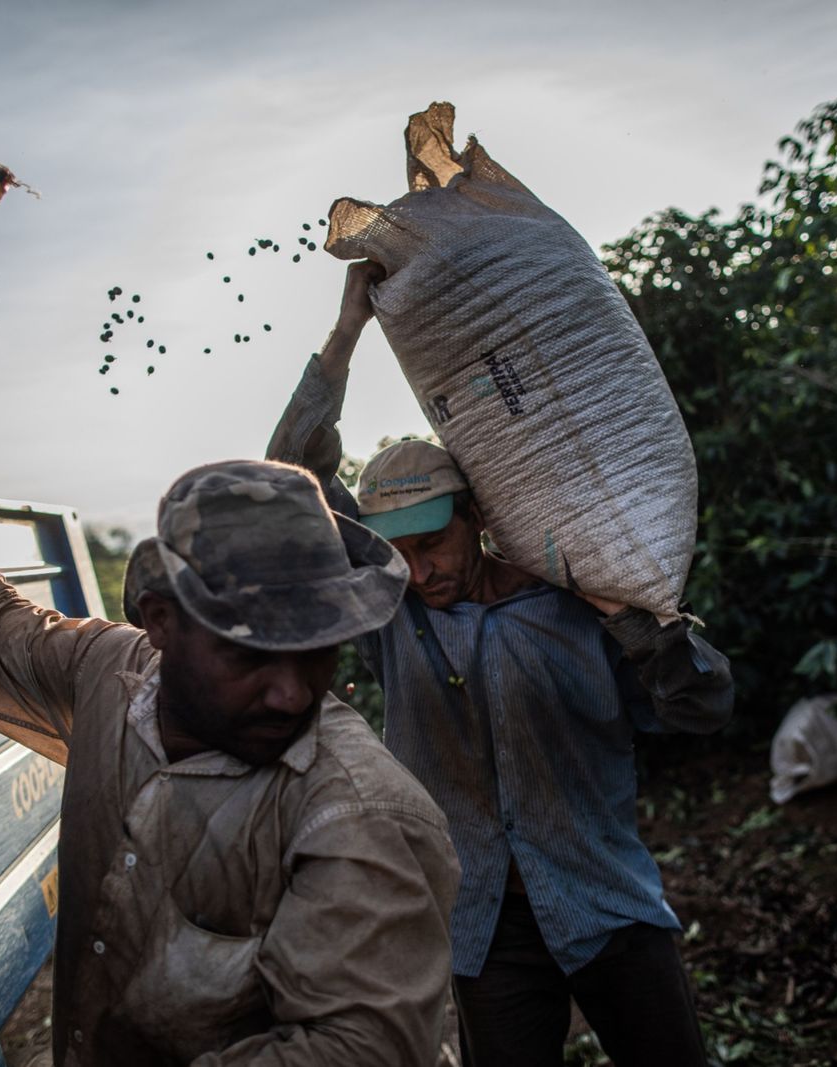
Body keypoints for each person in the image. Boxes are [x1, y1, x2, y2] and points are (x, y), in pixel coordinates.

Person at [0, 339, 461, 1067]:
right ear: (159, 621)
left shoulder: (358, 813)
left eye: (318, 650)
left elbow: (363, 1048)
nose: (292, 691)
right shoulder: (107, 675)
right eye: (249, 654)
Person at [268, 262, 736, 1067]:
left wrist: (638, 624)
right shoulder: (392, 610)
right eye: (399, 551)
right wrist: (348, 331)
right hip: (482, 924)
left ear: (477, 518)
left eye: (433, 544)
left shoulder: (575, 602)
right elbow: (294, 476)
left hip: (606, 901)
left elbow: (702, 705)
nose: (419, 571)